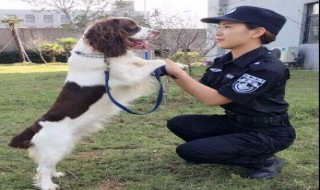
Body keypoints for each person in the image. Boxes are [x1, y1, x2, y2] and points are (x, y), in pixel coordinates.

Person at [163, 6, 296, 179]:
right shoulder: (225, 61)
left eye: (228, 27)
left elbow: (213, 99)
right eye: (219, 27)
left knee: (188, 151)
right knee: (179, 123)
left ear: (257, 32)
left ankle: (264, 161)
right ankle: (224, 149)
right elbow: (202, 90)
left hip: (269, 132)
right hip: (236, 123)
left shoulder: (267, 67)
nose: (219, 32)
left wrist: (178, 73)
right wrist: (171, 73)